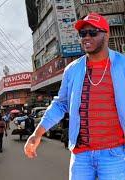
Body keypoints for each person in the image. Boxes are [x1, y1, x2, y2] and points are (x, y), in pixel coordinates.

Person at [24, 13, 125, 179]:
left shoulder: (122, 65)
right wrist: (37, 133)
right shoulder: (72, 70)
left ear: (107, 35)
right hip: (81, 156)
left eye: (92, 32)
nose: (86, 37)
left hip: (114, 155)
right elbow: (60, 104)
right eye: (82, 33)